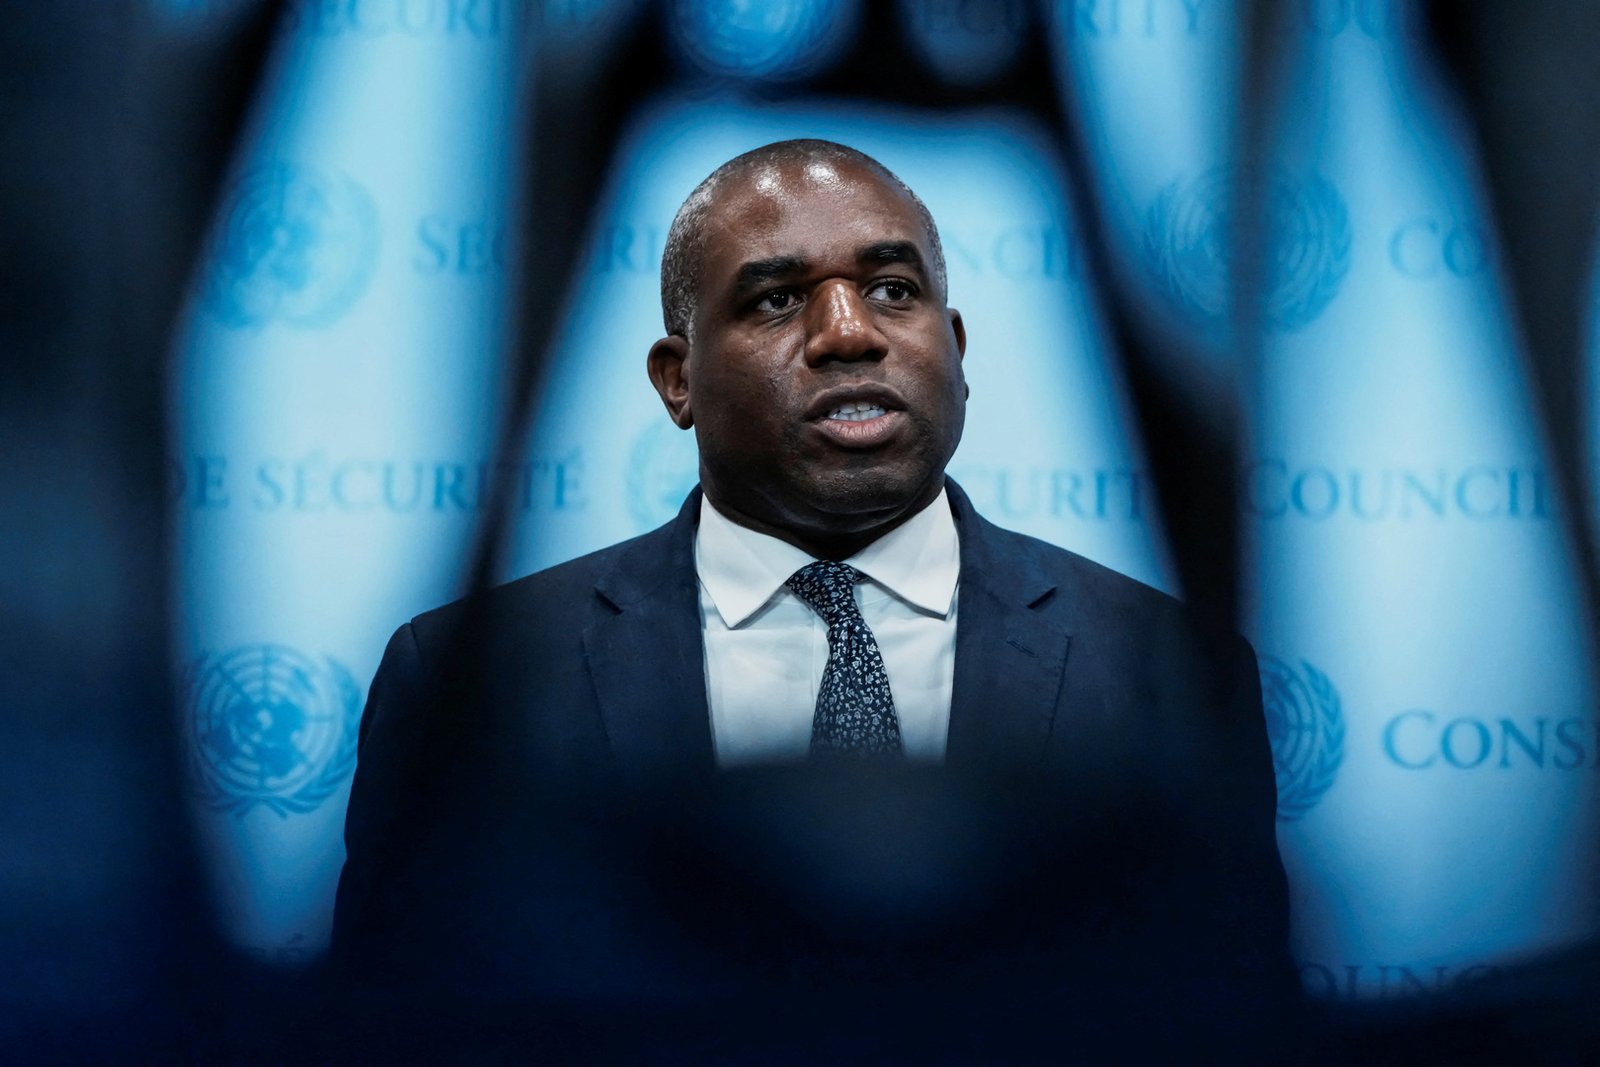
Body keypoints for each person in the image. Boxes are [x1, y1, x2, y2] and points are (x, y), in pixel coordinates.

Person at [332, 139, 1293, 1056]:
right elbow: (390, 1027)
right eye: (777, 299)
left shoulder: (1167, 666)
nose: (848, 334)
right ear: (677, 380)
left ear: (956, 350)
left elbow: (1238, 1014)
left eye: (893, 290)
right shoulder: (469, 679)